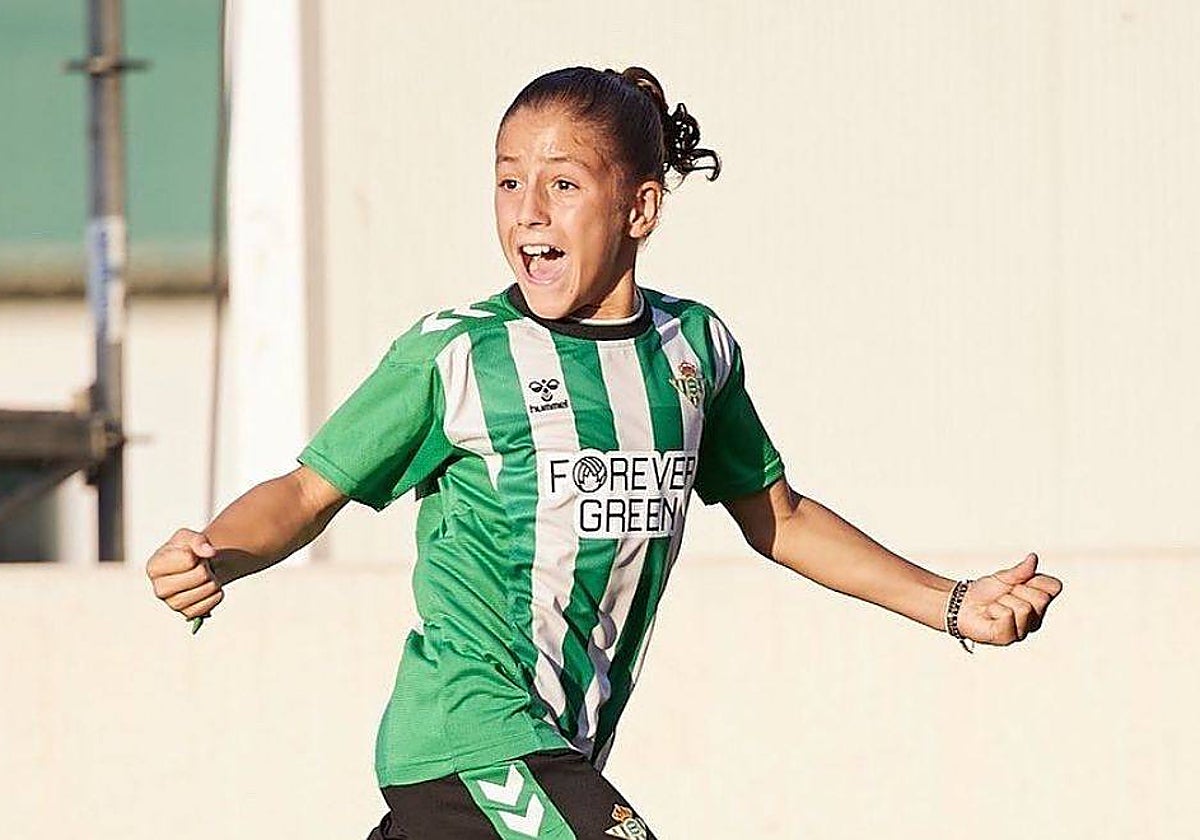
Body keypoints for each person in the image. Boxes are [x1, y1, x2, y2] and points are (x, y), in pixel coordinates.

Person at [146, 65, 1064, 839]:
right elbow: (308, 492)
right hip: (468, 742)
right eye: (508, 181)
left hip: (558, 756)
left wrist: (951, 605)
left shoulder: (693, 351)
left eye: (562, 183)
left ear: (642, 207)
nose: (527, 211)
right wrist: (217, 552)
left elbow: (778, 518)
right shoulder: (458, 351)